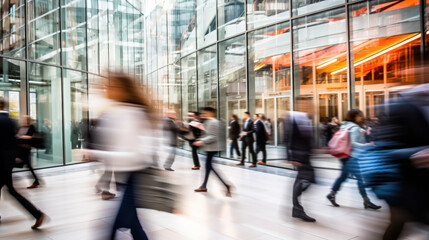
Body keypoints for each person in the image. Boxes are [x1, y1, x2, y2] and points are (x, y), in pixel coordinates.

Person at [91, 73, 156, 240]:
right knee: (134, 225)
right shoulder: (117, 111)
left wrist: (94, 153)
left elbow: (134, 155)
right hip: (124, 177)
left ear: (122, 89)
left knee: (112, 226)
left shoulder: (131, 113)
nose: (106, 89)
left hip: (134, 175)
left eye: (111, 86)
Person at [359, 85, 429, 240]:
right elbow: (387, 150)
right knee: (399, 220)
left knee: (400, 221)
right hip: (404, 181)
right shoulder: (398, 108)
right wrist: (417, 153)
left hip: (417, 183)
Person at [0, 97, 45, 229]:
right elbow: (12, 141)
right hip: (7, 162)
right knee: (12, 191)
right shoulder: (10, 121)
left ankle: (37, 214)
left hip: (1, 163)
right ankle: (37, 214)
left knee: (12, 191)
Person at [326, 109, 381, 210]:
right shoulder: (354, 127)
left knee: (343, 176)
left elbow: (349, 140)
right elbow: (353, 144)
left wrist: (362, 134)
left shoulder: (344, 125)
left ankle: (331, 194)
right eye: (360, 116)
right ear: (355, 116)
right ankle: (366, 201)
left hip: (343, 155)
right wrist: (367, 145)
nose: (361, 117)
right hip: (351, 156)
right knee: (361, 179)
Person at [284, 98, 316, 222]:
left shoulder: (304, 118)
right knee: (307, 178)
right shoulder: (292, 118)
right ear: (298, 105)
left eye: (307, 104)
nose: (307, 106)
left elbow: (307, 138)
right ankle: (297, 208)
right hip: (298, 155)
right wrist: (290, 157)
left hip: (305, 155)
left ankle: (296, 208)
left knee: (305, 179)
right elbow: (286, 138)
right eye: (304, 104)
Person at [194, 107, 232, 197]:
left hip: (213, 147)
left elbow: (213, 136)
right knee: (208, 167)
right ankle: (204, 186)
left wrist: (202, 141)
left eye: (205, 113)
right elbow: (208, 134)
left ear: (211, 113)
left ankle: (226, 185)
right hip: (210, 147)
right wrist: (202, 131)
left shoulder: (214, 122)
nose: (203, 115)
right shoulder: (209, 122)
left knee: (210, 167)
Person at [16, 115, 41, 189]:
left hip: (26, 149)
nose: (22, 121)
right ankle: (36, 180)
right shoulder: (20, 127)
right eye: (22, 119)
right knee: (28, 166)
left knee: (27, 166)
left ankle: (36, 180)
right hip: (19, 149)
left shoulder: (31, 127)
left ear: (28, 121)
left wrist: (22, 136)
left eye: (24, 119)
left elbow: (32, 137)